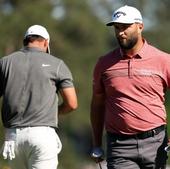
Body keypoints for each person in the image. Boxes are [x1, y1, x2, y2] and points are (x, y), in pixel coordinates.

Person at [90, 5, 170, 169]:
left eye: (126, 27)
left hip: (155, 143)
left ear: (140, 27)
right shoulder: (104, 64)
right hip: (119, 146)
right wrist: (97, 144)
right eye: (117, 28)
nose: (120, 32)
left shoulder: (163, 60)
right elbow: (97, 104)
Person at [0, 24, 78, 169]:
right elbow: (72, 103)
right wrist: (55, 111)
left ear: (25, 41)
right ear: (46, 43)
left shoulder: (5, 62)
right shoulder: (57, 64)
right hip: (42, 135)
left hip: (12, 137)